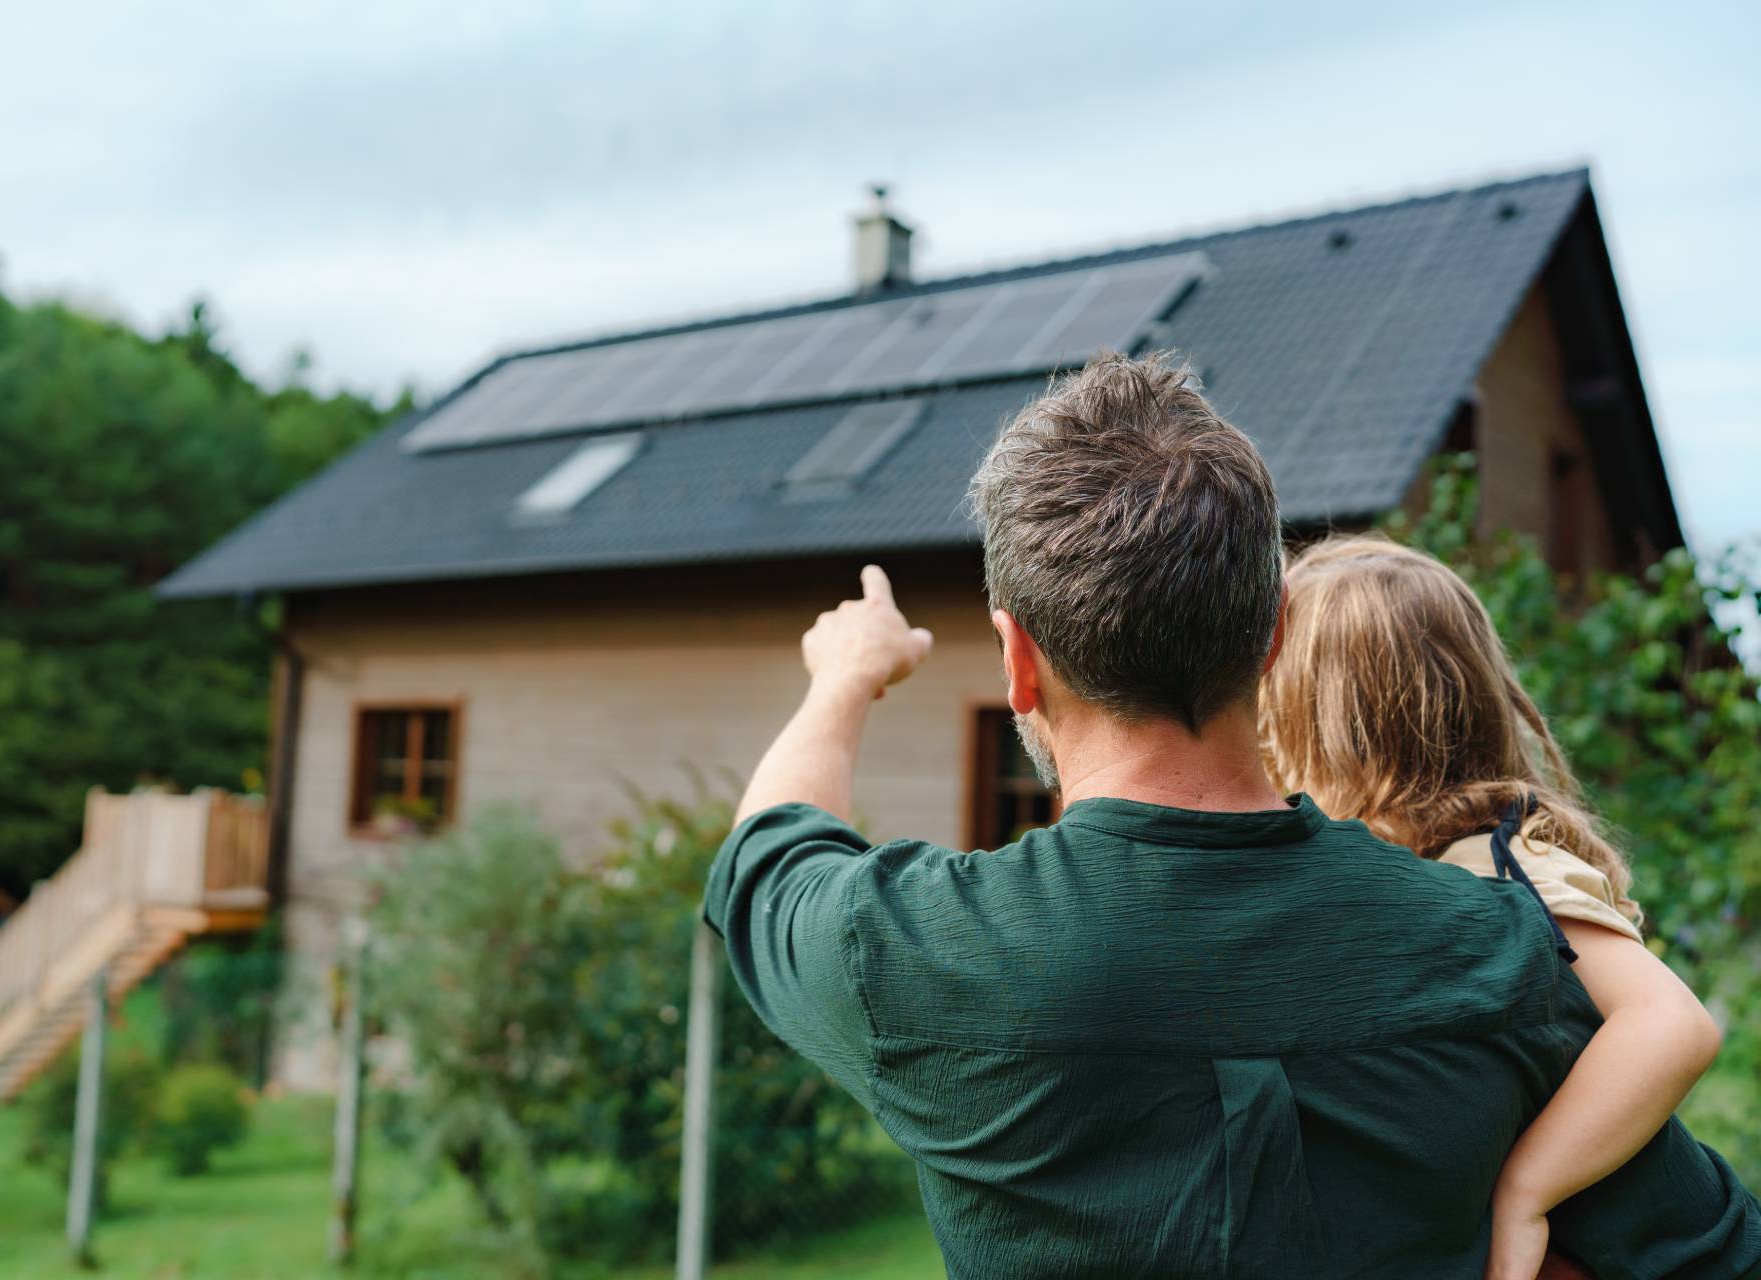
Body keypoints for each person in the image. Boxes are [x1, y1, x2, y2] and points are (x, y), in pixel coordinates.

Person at [702, 352, 1761, 1278]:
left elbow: (768, 849)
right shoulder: (1495, 946)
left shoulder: (912, 949)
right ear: (1271, 633)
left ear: (1018, 659)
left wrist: (845, 677)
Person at [1260, 534, 1727, 1280]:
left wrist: (1524, 1192)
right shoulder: (1419, 869)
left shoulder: (1503, 863)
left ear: (1322, 727)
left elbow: (1673, 1025)